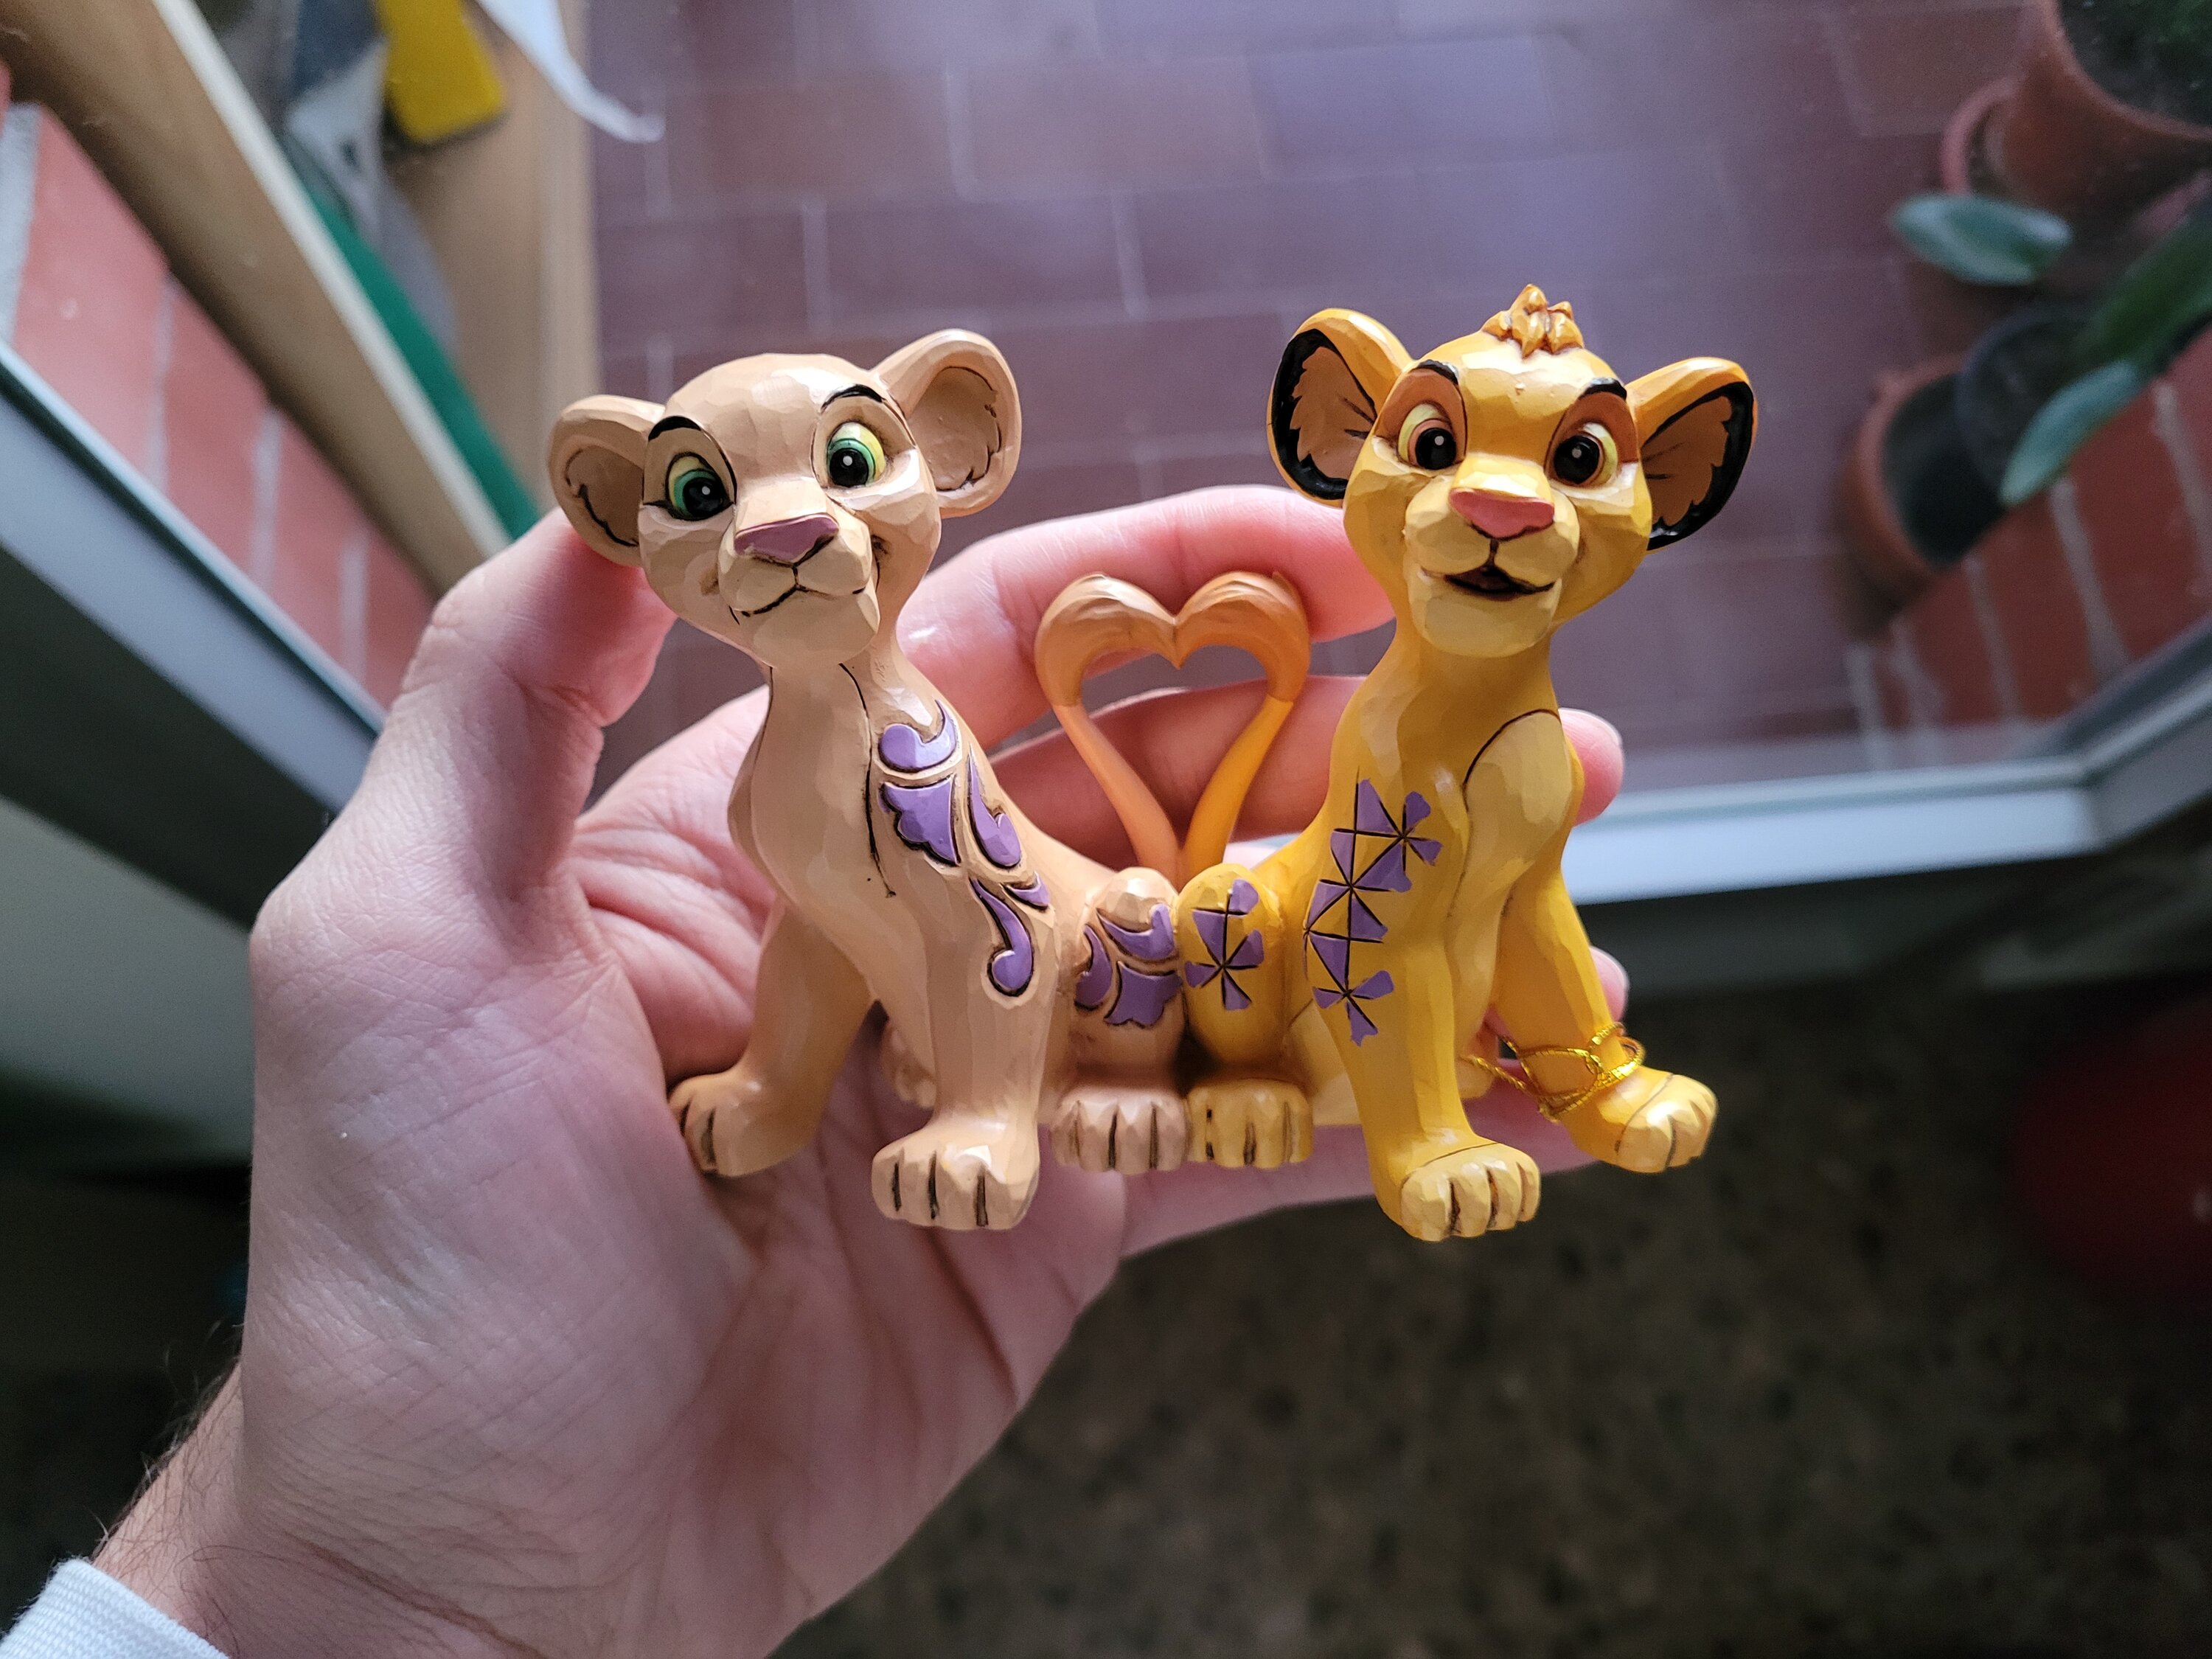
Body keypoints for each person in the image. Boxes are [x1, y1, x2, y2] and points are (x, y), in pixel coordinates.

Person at [1, 491, 1624, 1658]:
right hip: (955, 1054)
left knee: (1119, 928)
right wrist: (779, 1095)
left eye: (847, 465)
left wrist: (998, 1109)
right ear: (617, 514)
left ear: (953, 456)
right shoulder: (799, 775)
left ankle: (1115, 1082)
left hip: (1108, 994)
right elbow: (821, 937)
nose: (785, 525)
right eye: (707, 491)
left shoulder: (910, 761)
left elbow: (1006, 930)